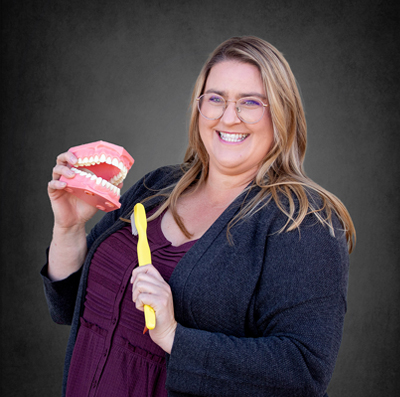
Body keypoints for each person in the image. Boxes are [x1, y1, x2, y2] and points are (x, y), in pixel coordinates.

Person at [42, 36, 355, 397]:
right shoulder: (157, 186)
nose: (228, 116)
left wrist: (174, 337)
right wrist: (69, 226)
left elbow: (304, 372)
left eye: (250, 102)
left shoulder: (302, 221)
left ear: (281, 113)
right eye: (216, 99)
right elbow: (69, 306)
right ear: (199, 107)